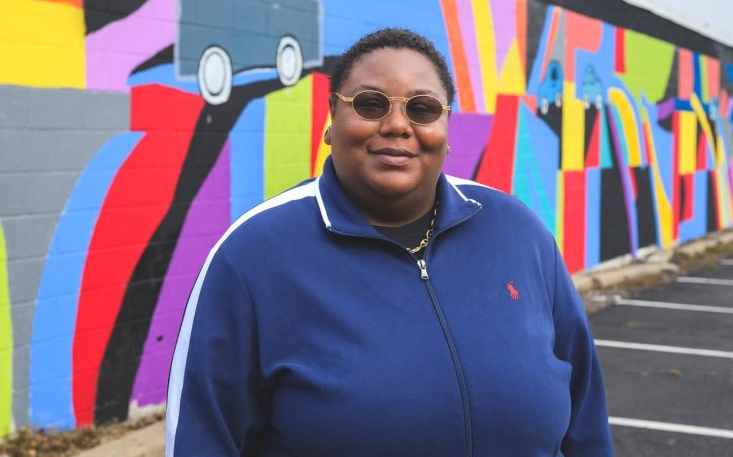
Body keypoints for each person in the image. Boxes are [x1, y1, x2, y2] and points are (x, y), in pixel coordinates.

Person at [166, 28, 613, 456]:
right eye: (370, 104)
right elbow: (202, 439)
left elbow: (585, 417)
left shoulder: (518, 232)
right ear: (332, 119)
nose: (398, 125)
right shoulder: (250, 258)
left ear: (445, 127)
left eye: (422, 109)